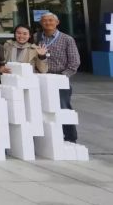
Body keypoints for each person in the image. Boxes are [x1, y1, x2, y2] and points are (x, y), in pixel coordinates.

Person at [37, 12, 81, 142]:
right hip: (42, 78)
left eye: (51, 20)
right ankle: (48, 139)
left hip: (60, 78)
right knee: (42, 108)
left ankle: (70, 137)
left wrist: (62, 77)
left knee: (63, 106)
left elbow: (74, 62)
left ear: (57, 22)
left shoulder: (67, 39)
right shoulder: (37, 38)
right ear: (41, 23)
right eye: (44, 21)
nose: (48, 23)